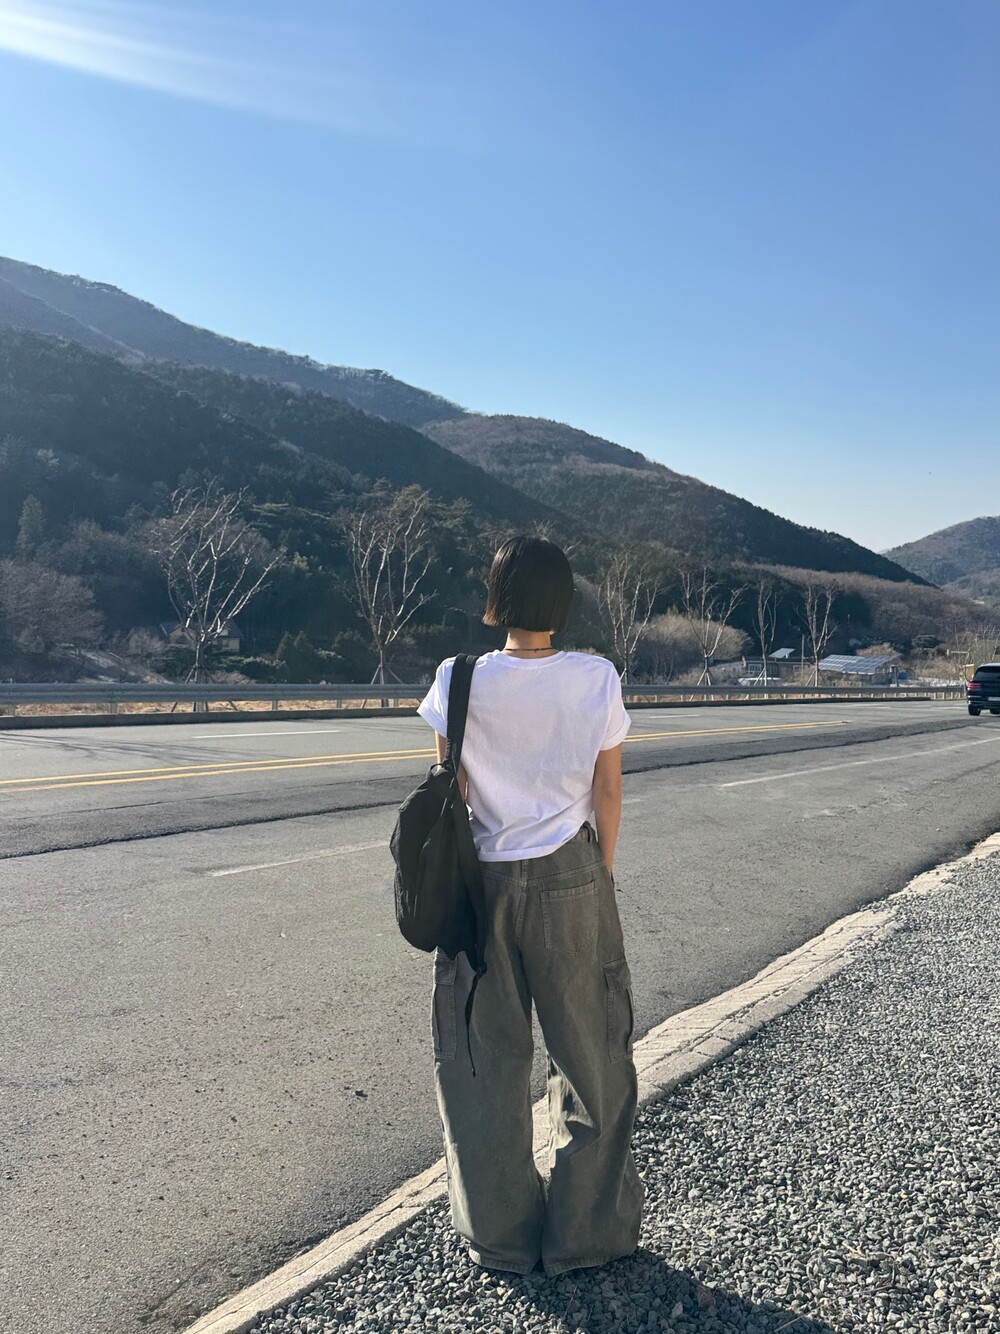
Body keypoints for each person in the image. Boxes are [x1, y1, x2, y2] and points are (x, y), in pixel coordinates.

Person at [416, 534, 643, 1278]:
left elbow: (450, 789)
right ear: (563, 602)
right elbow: (607, 789)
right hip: (570, 873)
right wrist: (599, 872)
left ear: (496, 597)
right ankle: (586, 1235)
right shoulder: (595, 677)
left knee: (481, 1061)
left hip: (479, 885)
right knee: (592, 1053)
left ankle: (501, 1238)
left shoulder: (459, 678)